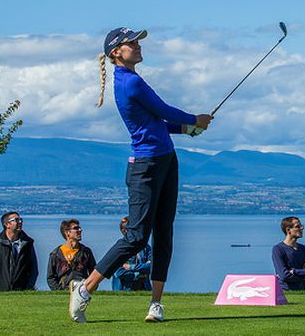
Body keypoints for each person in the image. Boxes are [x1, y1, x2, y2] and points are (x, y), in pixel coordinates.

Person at [69, 27, 213, 323]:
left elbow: (156, 121)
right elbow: (164, 110)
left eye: (136, 41)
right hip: (144, 168)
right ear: (115, 53)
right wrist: (193, 120)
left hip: (166, 160)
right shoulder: (130, 83)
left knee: (164, 232)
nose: (137, 46)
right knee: (136, 236)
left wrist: (188, 129)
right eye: (130, 43)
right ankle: (85, 288)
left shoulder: (133, 79)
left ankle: (156, 304)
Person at [0, 211, 39, 292]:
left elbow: (34, 269)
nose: (20, 222)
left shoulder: (27, 243)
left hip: (22, 292)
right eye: (16, 220)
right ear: (7, 224)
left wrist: (28, 288)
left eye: (21, 220)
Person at [47, 219, 97, 290]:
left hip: (82, 291)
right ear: (67, 232)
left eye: (79, 228)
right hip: (62, 291)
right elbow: (50, 277)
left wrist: (88, 289)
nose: (80, 230)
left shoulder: (86, 252)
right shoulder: (56, 254)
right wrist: (59, 290)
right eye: (76, 228)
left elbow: (94, 273)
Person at [271, 216, 305, 291]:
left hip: (302, 292)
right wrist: (303, 275)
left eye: (301, 226)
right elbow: (284, 275)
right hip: (286, 292)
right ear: (288, 230)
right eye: (297, 226)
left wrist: (294, 271)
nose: (301, 228)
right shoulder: (278, 249)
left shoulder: (303, 248)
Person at [112, 216, 152, 291]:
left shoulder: (145, 247)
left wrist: (131, 267)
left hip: (144, 288)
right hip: (124, 289)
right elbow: (119, 272)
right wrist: (138, 274)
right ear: (124, 231)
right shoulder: (118, 249)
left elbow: (152, 266)